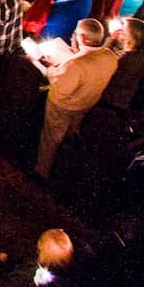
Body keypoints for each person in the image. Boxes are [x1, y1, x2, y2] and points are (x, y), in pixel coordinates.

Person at [36, 18, 119, 177]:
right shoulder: (109, 55)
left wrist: (51, 68)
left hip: (63, 106)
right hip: (87, 103)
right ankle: (63, 163)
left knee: (51, 138)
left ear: (82, 38)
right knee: (70, 133)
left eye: (75, 33)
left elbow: (61, 89)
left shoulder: (77, 64)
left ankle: (42, 171)